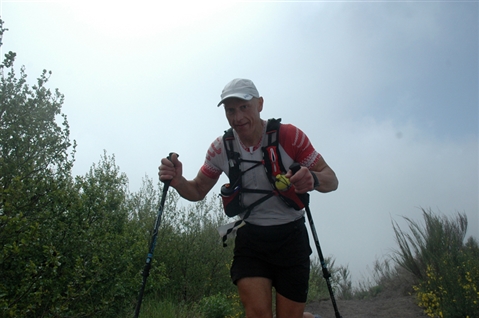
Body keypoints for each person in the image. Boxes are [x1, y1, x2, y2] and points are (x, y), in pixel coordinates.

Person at [159, 78, 338, 318]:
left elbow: (331, 178)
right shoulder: (220, 148)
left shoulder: (290, 137)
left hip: (291, 237)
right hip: (250, 238)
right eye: (230, 110)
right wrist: (178, 182)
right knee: (257, 314)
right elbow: (198, 190)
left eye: (244, 107)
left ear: (260, 104)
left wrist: (314, 181)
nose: (237, 117)